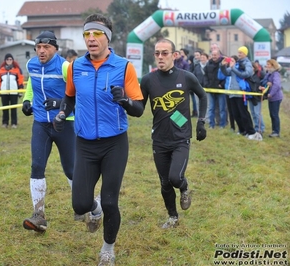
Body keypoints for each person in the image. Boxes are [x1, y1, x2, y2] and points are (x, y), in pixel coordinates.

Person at [53, 14, 144, 265]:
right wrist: (62, 113)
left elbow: (139, 109)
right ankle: (94, 210)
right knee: (80, 204)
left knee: (110, 199)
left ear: (107, 37)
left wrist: (124, 100)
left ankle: (108, 248)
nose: (91, 39)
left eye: (96, 34)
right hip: (84, 143)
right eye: (87, 34)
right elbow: (69, 97)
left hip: (114, 143)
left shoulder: (124, 67)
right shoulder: (75, 67)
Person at [140, 38, 207, 229]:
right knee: (164, 183)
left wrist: (201, 121)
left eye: (165, 53)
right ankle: (173, 217)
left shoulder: (186, 77)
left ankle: (184, 188)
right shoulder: (148, 80)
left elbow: (202, 96)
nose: (160, 57)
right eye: (157, 53)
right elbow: (138, 107)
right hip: (159, 139)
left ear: (174, 55)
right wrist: (125, 102)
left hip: (181, 137)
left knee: (175, 178)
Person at [21, 31, 76, 232]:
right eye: (38, 47)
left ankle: (85, 204)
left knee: (71, 170)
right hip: (41, 124)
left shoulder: (65, 67)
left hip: (64, 123)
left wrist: (60, 103)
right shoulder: (31, 65)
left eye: (46, 47)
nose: (42, 51)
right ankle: (39, 215)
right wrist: (26, 101)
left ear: (55, 48)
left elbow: (77, 96)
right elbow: (32, 85)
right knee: (37, 166)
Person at [220, 46, 262, 140]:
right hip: (232, 92)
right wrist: (222, 66)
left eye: (241, 53)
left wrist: (234, 68)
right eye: (238, 52)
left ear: (245, 53)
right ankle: (242, 130)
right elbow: (227, 73)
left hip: (241, 91)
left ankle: (251, 131)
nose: (239, 54)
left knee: (244, 113)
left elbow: (246, 74)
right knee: (235, 113)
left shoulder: (247, 63)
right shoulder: (237, 63)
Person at [0, 53, 24, 128]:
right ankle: (5, 123)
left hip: (14, 92)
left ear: (12, 60)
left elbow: (20, 80)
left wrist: (20, 91)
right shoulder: (1, 70)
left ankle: (14, 123)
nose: (9, 61)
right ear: (5, 61)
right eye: (7, 59)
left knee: (13, 108)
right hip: (4, 92)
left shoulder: (17, 70)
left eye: (10, 59)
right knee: (4, 108)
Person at [259, 59, 283, 137]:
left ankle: (276, 132)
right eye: (267, 64)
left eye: (269, 64)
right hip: (271, 97)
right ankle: (274, 131)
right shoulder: (269, 73)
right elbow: (264, 81)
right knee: (272, 114)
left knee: (274, 114)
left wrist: (271, 93)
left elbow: (277, 85)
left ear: (273, 65)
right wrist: (267, 83)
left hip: (276, 97)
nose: (267, 66)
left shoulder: (275, 74)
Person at [203, 49, 227, 128]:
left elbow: (226, 75)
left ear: (219, 55)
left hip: (220, 89)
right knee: (211, 108)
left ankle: (222, 124)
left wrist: (222, 85)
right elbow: (205, 75)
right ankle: (211, 124)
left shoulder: (223, 63)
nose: (214, 56)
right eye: (213, 55)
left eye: (215, 55)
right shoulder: (208, 64)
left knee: (222, 109)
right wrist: (206, 84)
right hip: (210, 89)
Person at [248, 62, 266, 134]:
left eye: (251, 67)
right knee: (253, 113)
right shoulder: (248, 76)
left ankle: (261, 128)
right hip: (250, 96)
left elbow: (265, 82)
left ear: (254, 67)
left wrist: (262, 87)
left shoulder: (260, 74)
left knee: (257, 113)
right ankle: (256, 127)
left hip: (257, 96)